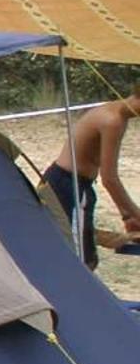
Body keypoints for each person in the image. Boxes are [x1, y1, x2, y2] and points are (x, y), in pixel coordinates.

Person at [44, 85, 140, 269]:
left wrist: (128, 217)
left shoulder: (112, 109)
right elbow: (110, 178)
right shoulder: (113, 121)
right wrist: (135, 215)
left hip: (63, 181)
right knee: (81, 260)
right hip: (71, 187)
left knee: (75, 245)